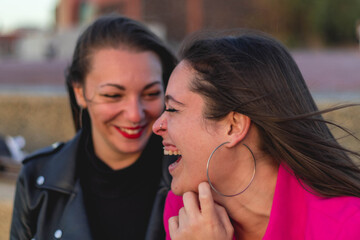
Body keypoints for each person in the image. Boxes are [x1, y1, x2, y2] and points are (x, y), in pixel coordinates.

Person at [152, 30, 360, 239]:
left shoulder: (348, 227)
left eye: (173, 109)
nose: (157, 125)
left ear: (233, 126)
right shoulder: (188, 213)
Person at [10, 14, 177, 240]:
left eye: (151, 94)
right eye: (113, 95)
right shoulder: (37, 177)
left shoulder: (189, 174)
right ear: (79, 92)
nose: (135, 113)